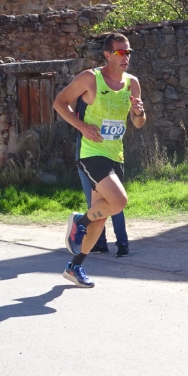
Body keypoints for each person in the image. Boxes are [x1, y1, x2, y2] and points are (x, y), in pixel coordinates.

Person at [53, 32, 146, 288]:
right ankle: (79, 222)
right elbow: (60, 103)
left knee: (102, 215)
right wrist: (81, 126)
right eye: (120, 52)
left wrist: (139, 112)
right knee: (119, 201)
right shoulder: (90, 78)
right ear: (107, 54)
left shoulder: (132, 83)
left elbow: (138, 124)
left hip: (116, 153)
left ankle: (75, 266)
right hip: (91, 153)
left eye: (128, 52)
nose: (125, 57)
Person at [75, 97, 130, 257]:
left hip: (100, 158)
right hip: (87, 158)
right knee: (99, 203)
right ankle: (101, 243)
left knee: (113, 202)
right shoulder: (84, 106)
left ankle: (121, 243)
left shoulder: (100, 104)